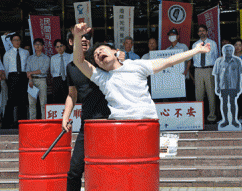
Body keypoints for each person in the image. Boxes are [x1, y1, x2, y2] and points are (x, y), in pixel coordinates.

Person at [72, 23, 211, 120]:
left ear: (115, 51)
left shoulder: (137, 65)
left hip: (147, 122)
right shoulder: (102, 78)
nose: (98, 54)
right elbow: (79, 61)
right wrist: (77, 36)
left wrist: (196, 50)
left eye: (102, 49)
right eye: (95, 56)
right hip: (120, 124)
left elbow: (169, 61)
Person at [62, 28, 124, 191]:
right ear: (70, 42)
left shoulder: (99, 61)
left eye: (87, 37)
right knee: (74, 171)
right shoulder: (70, 68)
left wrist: (117, 56)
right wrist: (65, 117)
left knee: (112, 169)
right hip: (87, 125)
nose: (84, 40)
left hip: (110, 123)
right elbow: (72, 95)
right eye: (79, 37)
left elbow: (116, 62)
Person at [213, 44, 242, 128]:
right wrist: (217, 86)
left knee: (232, 102)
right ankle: (226, 120)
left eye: (230, 50)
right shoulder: (218, 61)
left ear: (233, 51)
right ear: (224, 51)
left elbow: (239, 75)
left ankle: (234, 120)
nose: (229, 52)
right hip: (223, 85)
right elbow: (216, 75)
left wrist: (238, 86)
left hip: (233, 85)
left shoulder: (237, 61)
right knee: (224, 102)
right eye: (227, 50)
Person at [192, 24, 218, 123]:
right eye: (200, 31)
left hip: (209, 70)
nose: (201, 32)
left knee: (211, 93)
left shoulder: (213, 43)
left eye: (203, 30)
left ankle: (212, 116)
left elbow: (215, 58)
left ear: (207, 32)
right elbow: (194, 58)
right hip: (198, 70)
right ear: (198, 33)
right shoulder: (195, 45)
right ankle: (199, 117)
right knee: (198, 94)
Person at [3, 33, 30, 128]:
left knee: (22, 100)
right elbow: (6, 68)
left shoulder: (25, 52)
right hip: (12, 77)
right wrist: (8, 80)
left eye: (18, 40)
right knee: (11, 100)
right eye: (15, 40)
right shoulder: (8, 53)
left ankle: (22, 122)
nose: (17, 42)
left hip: (23, 76)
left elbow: (28, 66)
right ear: (11, 42)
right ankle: (7, 123)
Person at [26, 38, 50, 119]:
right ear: (33, 46)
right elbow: (27, 71)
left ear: (43, 46)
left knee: (43, 103)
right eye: (36, 44)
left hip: (42, 80)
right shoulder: (30, 58)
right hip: (32, 80)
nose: (37, 46)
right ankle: (32, 121)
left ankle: (44, 120)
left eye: (39, 44)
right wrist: (30, 80)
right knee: (31, 103)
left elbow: (43, 70)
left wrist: (31, 73)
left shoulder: (46, 58)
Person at [166, 28, 193, 101]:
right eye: (170, 35)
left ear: (178, 37)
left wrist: (186, 71)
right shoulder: (167, 50)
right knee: (173, 98)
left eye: (173, 35)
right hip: (172, 79)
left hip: (182, 77)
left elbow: (189, 60)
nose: (172, 36)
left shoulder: (183, 47)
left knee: (184, 98)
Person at [50, 39, 71, 104]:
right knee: (56, 98)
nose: (59, 48)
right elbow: (52, 70)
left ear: (65, 46)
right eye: (57, 47)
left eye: (61, 46)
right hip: (57, 79)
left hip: (67, 79)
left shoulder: (69, 56)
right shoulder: (53, 58)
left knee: (67, 97)